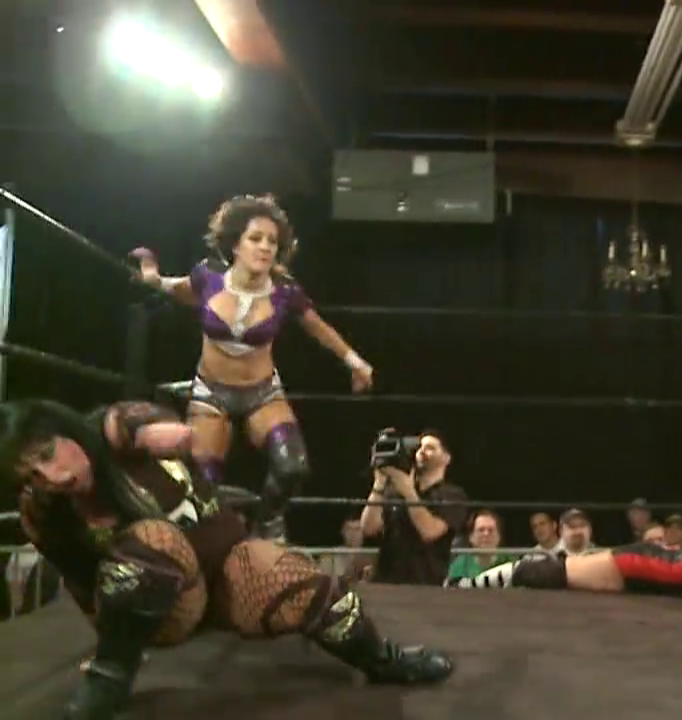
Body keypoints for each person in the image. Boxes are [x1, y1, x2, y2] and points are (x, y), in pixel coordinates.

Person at [0, 399, 452, 719]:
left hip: (226, 568)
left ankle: (382, 659)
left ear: (67, 431)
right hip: (167, 608)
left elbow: (142, 423)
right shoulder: (44, 511)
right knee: (156, 540)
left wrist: (156, 433)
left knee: (304, 583)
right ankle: (111, 677)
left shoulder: (112, 431)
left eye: (47, 454)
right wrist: (110, 645)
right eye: (31, 474)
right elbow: (82, 583)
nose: (51, 475)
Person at [129, 194, 375, 538]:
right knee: (202, 482)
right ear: (235, 244)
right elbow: (180, 289)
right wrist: (152, 276)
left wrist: (355, 362)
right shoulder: (208, 276)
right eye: (255, 238)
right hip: (211, 393)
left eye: (272, 241)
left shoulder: (284, 291)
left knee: (291, 466)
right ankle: (215, 541)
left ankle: (267, 523)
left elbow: (318, 327)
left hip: (262, 393)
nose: (265, 247)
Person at [447, 529, 682, 608]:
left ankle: (469, 586)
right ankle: (465, 586)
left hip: (657, 575)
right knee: (548, 573)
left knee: (561, 577)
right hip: (644, 563)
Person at [360, 430, 468, 585]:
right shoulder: (395, 491)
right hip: (385, 581)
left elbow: (430, 531)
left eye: (430, 448)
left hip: (424, 584)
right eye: (420, 447)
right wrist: (378, 486)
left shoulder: (452, 495)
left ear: (446, 458)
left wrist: (408, 492)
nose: (422, 451)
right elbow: (369, 528)